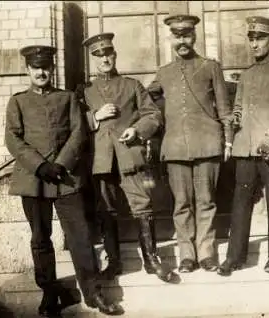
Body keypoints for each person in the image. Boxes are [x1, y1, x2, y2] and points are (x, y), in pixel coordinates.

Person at [5, 45, 124, 317]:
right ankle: (50, 293)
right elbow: (13, 138)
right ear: (28, 70)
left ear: (52, 69)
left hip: (66, 178)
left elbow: (79, 131)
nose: (42, 72)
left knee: (80, 235)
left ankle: (94, 293)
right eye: (36, 68)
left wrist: (61, 163)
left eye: (46, 67)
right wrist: (40, 165)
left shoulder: (68, 98)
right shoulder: (18, 101)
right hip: (34, 179)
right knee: (40, 239)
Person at [79, 32, 175, 283]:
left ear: (114, 54)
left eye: (107, 53)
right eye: (98, 55)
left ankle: (152, 260)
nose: (104, 59)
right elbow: (74, 124)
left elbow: (154, 115)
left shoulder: (132, 86)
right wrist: (94, 117)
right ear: (92, 60)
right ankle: (114, 262)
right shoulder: (85, 92)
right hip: (101, 160)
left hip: (130, 155)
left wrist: (138, 130)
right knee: (107, 210)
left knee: (142, 204)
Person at [216, 16, 269, 277]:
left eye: (260, 39)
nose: (255, 44)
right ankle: (234, 258)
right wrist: (234, 120)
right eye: (251, 39)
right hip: (246, 149)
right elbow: (240, 108)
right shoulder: (247, 75)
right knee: (240, 202)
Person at [148, 15, 233, 273]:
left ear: (194, 37)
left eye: (186, 35)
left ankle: (206, 253)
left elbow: (224, 106)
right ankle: (187, 255)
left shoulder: (210, 67)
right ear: (170, 39)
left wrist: (228, 140)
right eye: (177, 36)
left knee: (206, 201)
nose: (182, 41)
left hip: (207, 143)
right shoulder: (163, 73)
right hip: (175, 147)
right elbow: (144, 100)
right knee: (181, 203)